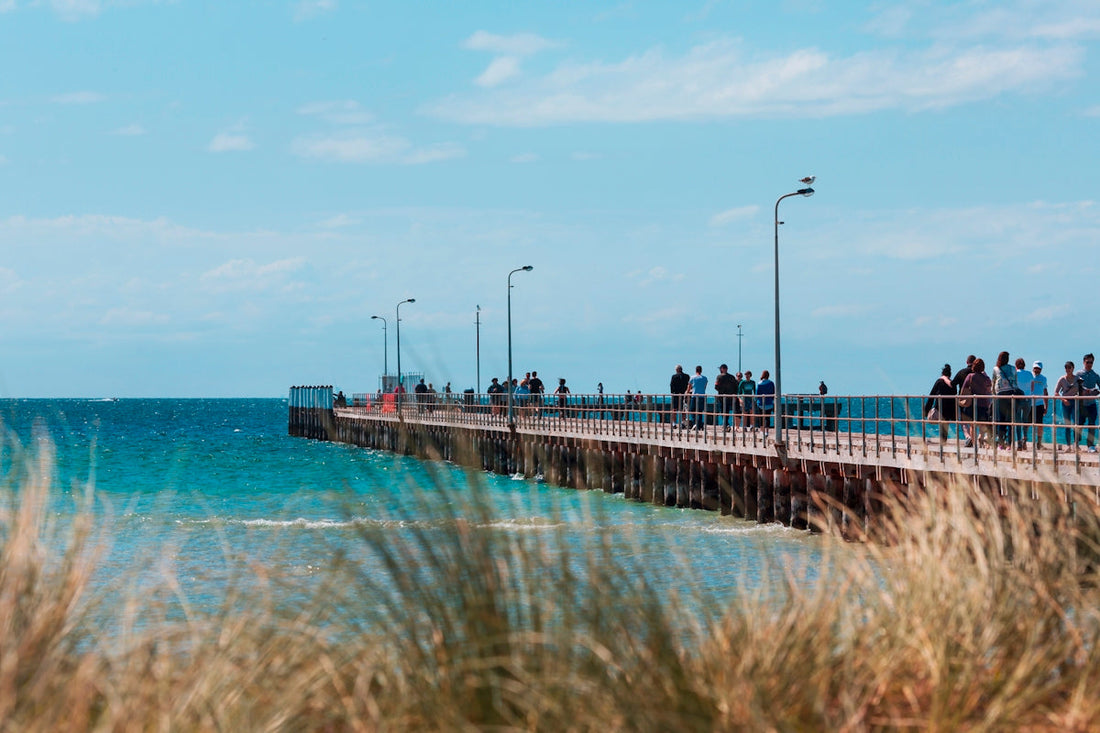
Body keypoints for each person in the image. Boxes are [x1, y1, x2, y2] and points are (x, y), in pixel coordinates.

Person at [960, 358, 992, 448]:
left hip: (972, 403)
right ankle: (981, 436)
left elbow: (963, 389)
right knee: (982, 423)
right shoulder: (986, 378)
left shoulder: (970, 376)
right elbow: (989, 389)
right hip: (984, 403)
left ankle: (973, 443)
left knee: (972, 424)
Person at [992, 351, 1019, 449]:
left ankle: (1001, 443)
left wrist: (993, 395)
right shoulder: (1013, 368)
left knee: (1001, 420)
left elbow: (993, 383)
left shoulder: (996, 369)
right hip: (1012, 394)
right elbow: (1016, 382)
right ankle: (1009, 444)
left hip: (1001, 395)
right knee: (1010, 420)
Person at [924, 364, 956, 442]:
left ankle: (942, 443)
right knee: (945, 426)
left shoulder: (939, 381)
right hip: (949, 409)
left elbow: (932, 396)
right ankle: (943, 441)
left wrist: (926, 411)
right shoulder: (952, 384)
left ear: (942, 374)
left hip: (940, 407)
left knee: (941, 424)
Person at [1076, 354, 1100, 452]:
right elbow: (1076, 386)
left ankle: (1090, 445)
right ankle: (1076, 443)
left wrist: (1095, 391)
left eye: (1091, 362)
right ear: (1083, 362)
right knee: (1079, 424)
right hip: (1081, 404)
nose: (1089, 364)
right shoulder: (1078, 374)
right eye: (1087, 362)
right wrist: (1086, 390)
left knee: (1092, 424)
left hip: (1091, 403)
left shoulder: (1095, 375)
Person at [1056, 361, 1080, 450]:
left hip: (1074, 401)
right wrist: (1064, 400)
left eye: (1069, 367)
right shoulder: (1062, 379)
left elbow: (1082, 389)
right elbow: (1056, 393)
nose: (1067, 369)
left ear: (1073, 368)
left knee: (1075, 424)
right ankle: (1068, 445)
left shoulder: (1077, 379)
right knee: (1067, 425)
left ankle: (1076, 444)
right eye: (1066, 367)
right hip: (1065, 402)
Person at [1027, 361, 1049, 449]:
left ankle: (1039, 443)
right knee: (1027, 423)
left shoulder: (1043, 379)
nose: (1037, 370)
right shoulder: (1029, 376)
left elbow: (1045, 392)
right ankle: (1024, 441)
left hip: (1039, 404)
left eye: (1038, 368)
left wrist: (1046, 406)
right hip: (1029, 403)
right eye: (1035, 368)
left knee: (1040, 424)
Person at [714, 364, 737, 431]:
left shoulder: (719, 377)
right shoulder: (732, 377)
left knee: (723, 411)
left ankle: (725, 425)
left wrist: (721, 391)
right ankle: (726, 424)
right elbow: (736, 386)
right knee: (727, 411)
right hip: (730, 397)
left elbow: (716, 387)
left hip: (722, 397)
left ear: (722, 369)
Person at [688, 365, 708, 430]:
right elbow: (705, 386)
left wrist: (687, 392)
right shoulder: (705, 378)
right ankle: (700, 424)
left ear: (696, 370)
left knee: (692, 410)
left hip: (694, 396)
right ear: (701, 370)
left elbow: (689, 387)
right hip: (702, 396)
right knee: (700, 411)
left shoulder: (692, 377)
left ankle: (695, 423)